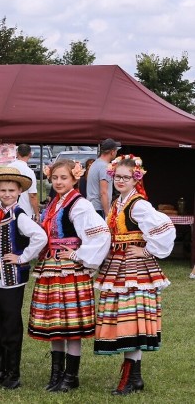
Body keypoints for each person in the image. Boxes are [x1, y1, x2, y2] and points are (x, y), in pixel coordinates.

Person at [95, 155, 174, 395]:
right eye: (117, 176)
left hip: (134, 270)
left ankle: (132, 378)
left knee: (132, 320)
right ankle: (134, 378)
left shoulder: (138, 204)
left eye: (126, 177)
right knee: (125, 320)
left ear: (135, 179)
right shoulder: (119, 202)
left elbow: (165, 228)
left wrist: (147, 249)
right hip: (119, 266)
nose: (120, 180)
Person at [29, 159, 110, 393]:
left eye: (63, 178)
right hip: (51, 267)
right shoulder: (55, 203)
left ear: (75, 179)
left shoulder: (80, 204)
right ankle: (56, 374)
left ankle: (71, 376)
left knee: (71, 323)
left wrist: (78, 254)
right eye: (55, 178)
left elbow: (101, 233)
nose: (58, 182)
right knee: (56, 320)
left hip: (70, 269)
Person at [0, 167, 47, 389]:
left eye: (11, 190)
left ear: (19, 192)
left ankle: (13, 374)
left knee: (11, 326)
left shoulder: (20, 216)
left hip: (12, 282)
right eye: (3, 190)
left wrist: (22, 257)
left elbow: (40, 236)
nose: (7, 194)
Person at [87, 138, 120, 216]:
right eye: (116, 151)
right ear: (112, 152)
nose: (116, 153)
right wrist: (107, 214)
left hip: (93, 207)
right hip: (99, 209)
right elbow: (103, 192)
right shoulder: (104, 167)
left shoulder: (96, 163)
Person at [7, 144, 40, 220]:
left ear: (17, 153)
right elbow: (32, 195)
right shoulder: (29, 172)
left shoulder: (7, 168)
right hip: (25, 213)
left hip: (7, 212)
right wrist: (37, 214)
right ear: (30, 154)